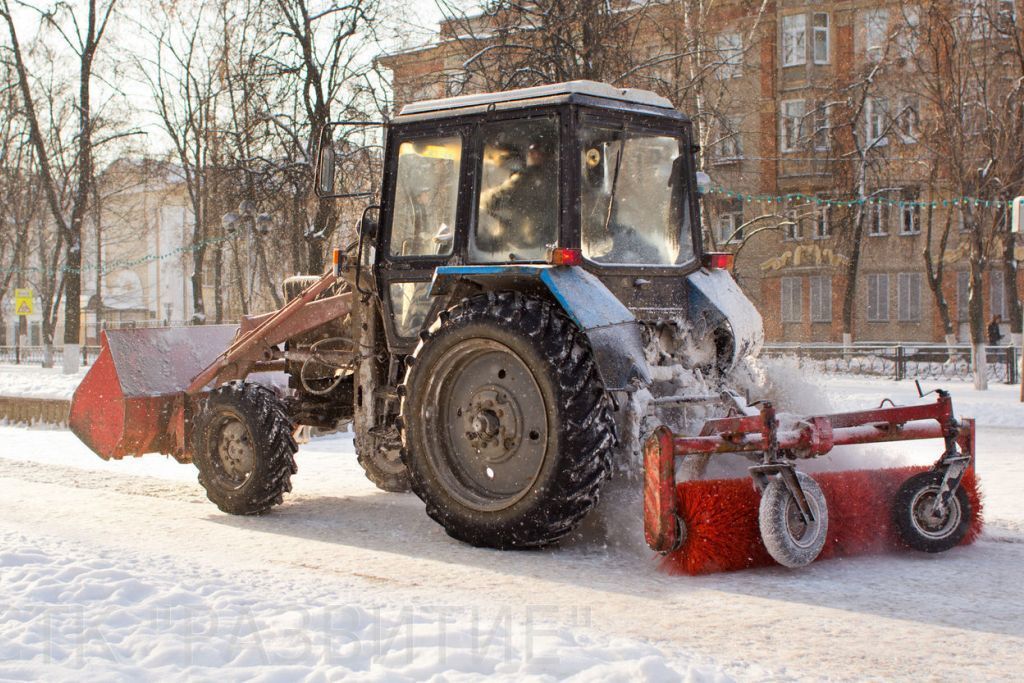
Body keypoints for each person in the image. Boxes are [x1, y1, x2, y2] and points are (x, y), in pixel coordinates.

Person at [479, 139, 557, 252]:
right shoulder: (562, 177)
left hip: (530, 247)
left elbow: (494, 199)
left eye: (534, 151)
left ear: (542, 154)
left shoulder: (527, 179)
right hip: (549, 242)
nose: (531, 154)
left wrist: (478, 199)